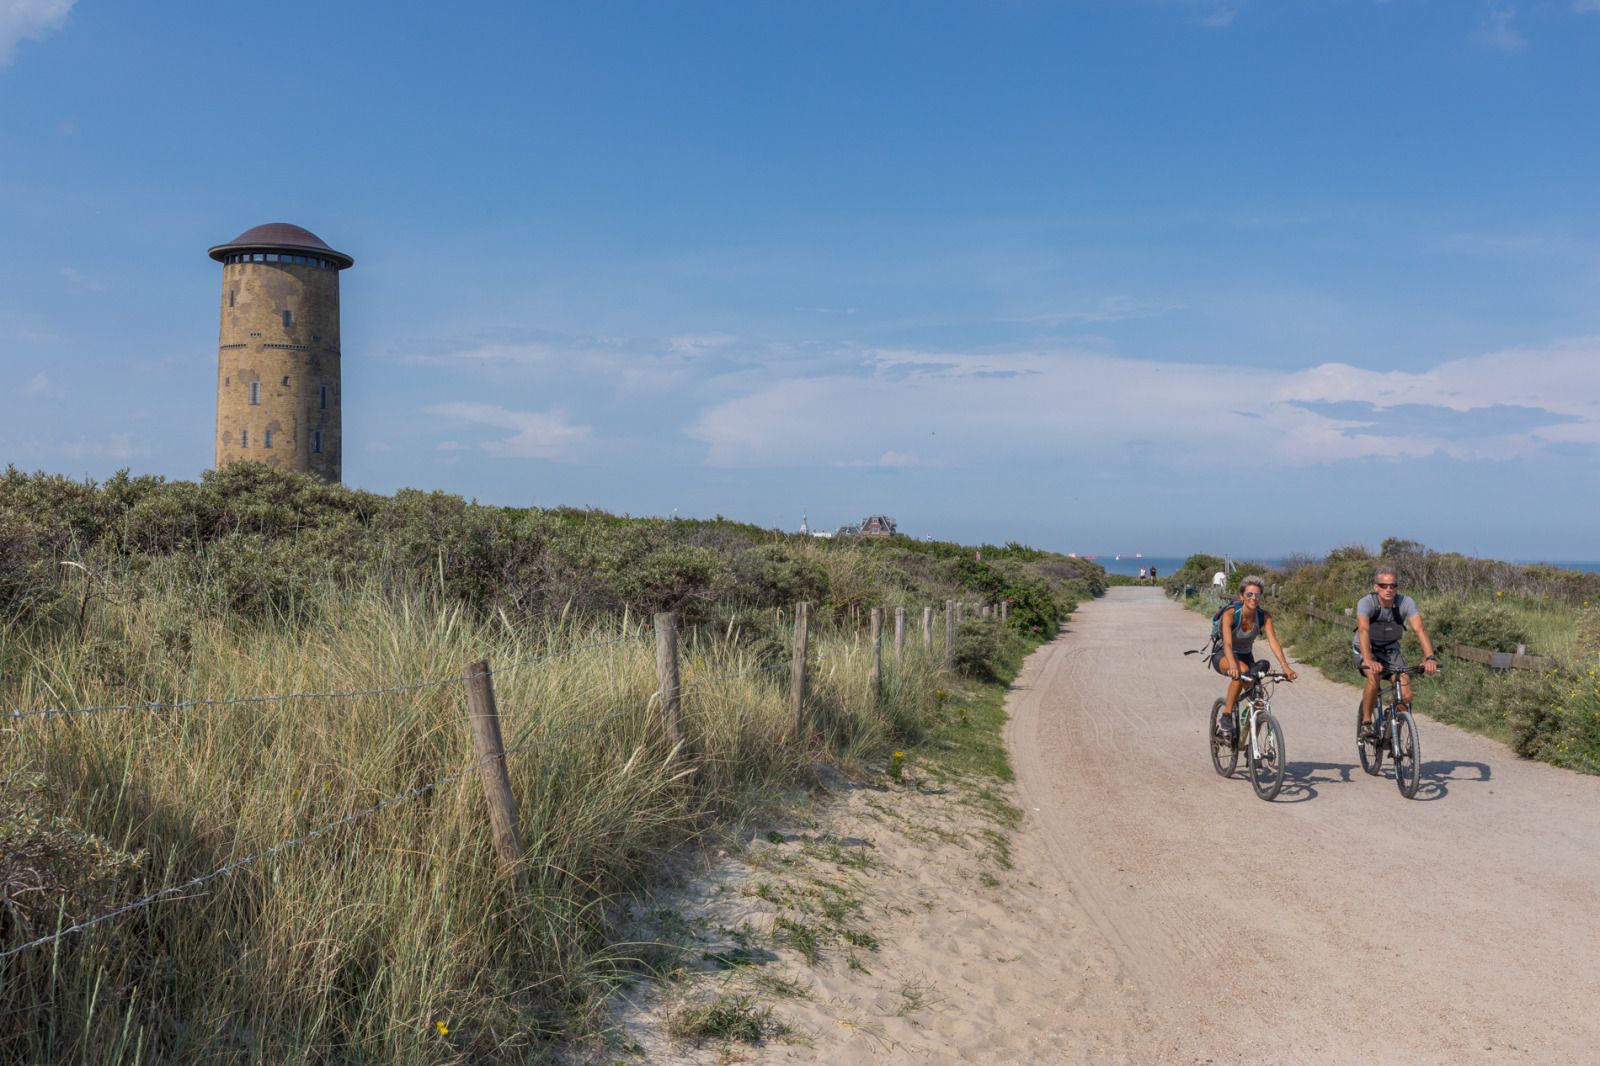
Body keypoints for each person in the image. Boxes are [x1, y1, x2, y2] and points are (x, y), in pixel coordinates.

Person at [1352, 567, 1438, 738]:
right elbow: (1363, 630)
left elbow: (1419, 629)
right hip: (1366, 648)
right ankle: (1367, 721)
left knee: (1406, 695)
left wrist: (1430, 658)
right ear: (1376, 587)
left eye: (1393, 585)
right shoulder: (1366, 603)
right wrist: (1368, 660)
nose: (1389, 589)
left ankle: (1393, 725)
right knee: (1373, 677)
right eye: (1384, 585)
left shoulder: (1405, 602)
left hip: (1391, 650)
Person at [1212, 575, 1296, 741]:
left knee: (1259, 702)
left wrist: (1285, 666)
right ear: (1242, 596)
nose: (1253, 598)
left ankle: (1251, 747)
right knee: (1241, 672)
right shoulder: (1231, 614)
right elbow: (1227, 643)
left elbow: (1273, 641)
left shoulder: (1264, 616)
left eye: (1257, 595)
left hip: (1245, 655)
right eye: (1249, 594)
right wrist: (1233, 665)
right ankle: (1226, 714)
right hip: (1223, 654)